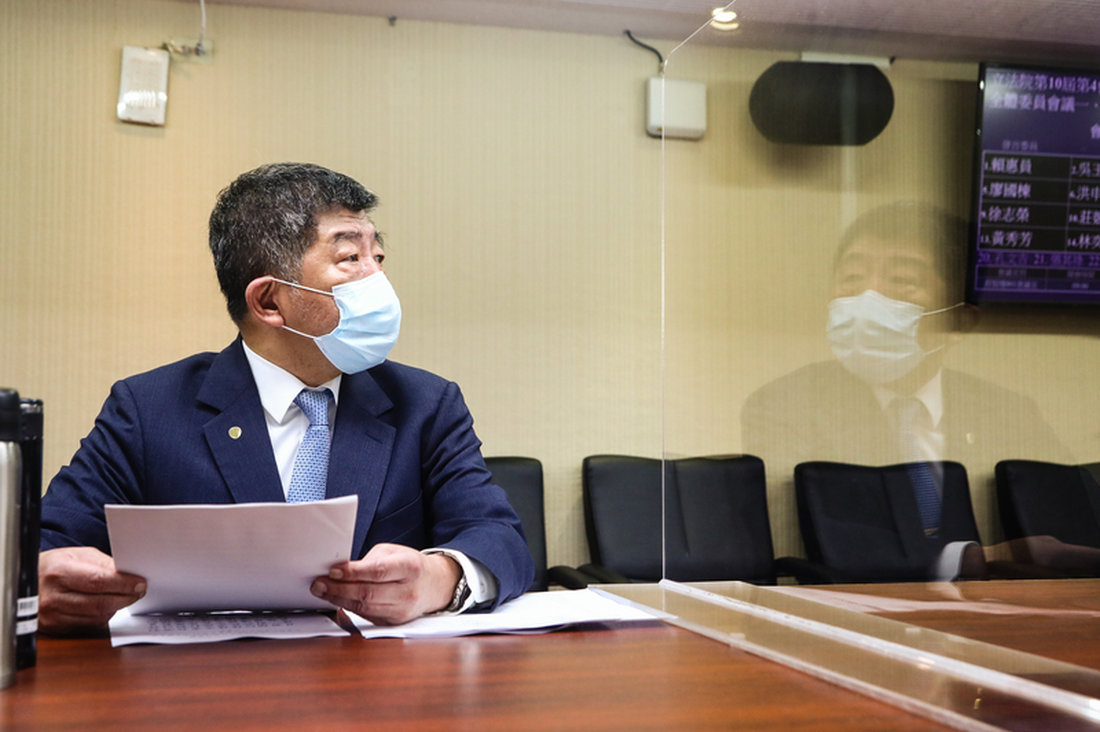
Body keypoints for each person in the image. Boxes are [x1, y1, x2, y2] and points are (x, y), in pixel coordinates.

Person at [38, 162, 534, 634]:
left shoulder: (425, 404)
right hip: (200, 681)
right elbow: (47, 544)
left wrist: (439, 577)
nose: (378, 280)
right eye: (350, 258)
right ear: (269, 301)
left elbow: (500, 540)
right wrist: (41, 582)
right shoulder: (148, 410)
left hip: (374, 678)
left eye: (378, 257)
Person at [742, 200, 1077, 579]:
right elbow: (826, 546)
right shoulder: (786, 404)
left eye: (901, 279)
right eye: (852, 277)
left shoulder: (1007, 412)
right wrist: (975, 558)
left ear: (959, 321)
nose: (868, 298)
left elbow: (1063, 538)